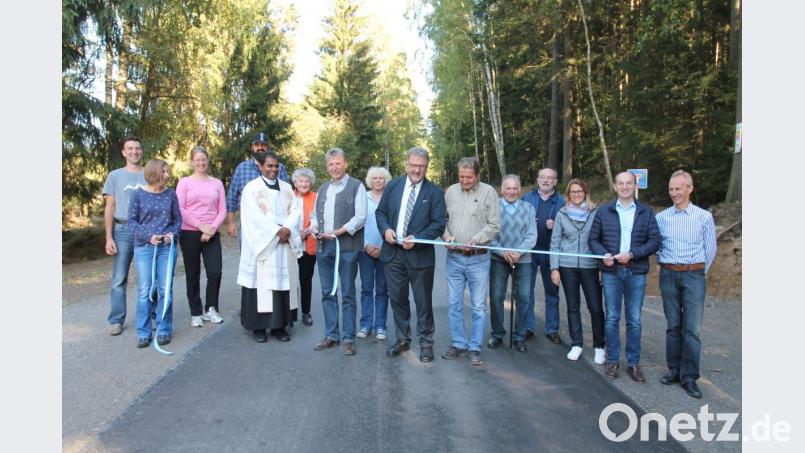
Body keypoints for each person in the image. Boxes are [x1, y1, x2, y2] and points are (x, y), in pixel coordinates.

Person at [588, 171, 661, 382]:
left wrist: (632, 254)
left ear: (635, 185)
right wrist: (603, 255)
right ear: (615, 186)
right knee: (611, 318)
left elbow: (655, 241)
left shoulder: (646, 212)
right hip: (611, 272)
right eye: (621, 183)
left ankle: (633, 363)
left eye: (629, 183)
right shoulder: (604, 211)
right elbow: (593, 239)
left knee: (634, 319)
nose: (625, 187)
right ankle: (613, 361)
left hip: (636, 271)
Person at [376, 147, 446, 362]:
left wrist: (417, 239)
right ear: (406, 164)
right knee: (398, 299)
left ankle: (426, 343)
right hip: (393, 254)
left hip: (420, 257)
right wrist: (386, 229)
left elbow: (438, 224)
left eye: (422, 166)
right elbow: (381, 213)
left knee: (423, 301)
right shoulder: (393, 186)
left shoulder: (434, 192)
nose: (417, 170)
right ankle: (402, 339)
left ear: (426, 166)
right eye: (414, 165)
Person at [656, 170, 717, 399]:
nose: (674, 193)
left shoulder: (703, 217)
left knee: (691, 329)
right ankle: (674, 370)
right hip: (668, 274)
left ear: (689, 189)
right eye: (671, 189)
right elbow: (657, 245)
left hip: (693, 275)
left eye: (678, 188)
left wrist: (699, 272)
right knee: (673, 326)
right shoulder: (661, 218)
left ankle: (689, 376)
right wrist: (663, 264)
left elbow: (710, 249)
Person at [236, 151, 302, 343]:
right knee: (261, 285)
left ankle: (279, 327)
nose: (273, 169)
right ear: (260, 166)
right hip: (264, 244)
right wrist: (276, 232)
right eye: (269, 166)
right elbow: (252, 217)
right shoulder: (252, 189)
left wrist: (287, 229)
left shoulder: (287, 188)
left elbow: (295, 210)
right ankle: (258, 327)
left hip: (283, 244)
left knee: (282, 284)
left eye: (276, 166)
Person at [441, 157, 500, 366]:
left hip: (479, 259)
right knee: (454, 304)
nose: (464, 180)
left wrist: (478, 239)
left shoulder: (488, 192)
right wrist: (446, 237)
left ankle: (475, 347)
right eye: (461, 176)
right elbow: (442, 221)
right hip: (454, 258)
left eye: (469, 177)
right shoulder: (450, 192)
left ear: (477, 175)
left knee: (478, 306)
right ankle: (458, 343)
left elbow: (494, 225)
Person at [310, 148, 367, 356]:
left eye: (338, 163)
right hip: (325, 248)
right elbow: (314, 216)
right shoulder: (323, 189)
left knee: (348, 293)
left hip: (347, 249)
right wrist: (315, 228)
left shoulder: (356, 186)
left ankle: (349, 338)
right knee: (328, 292)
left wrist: (339, 231)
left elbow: (360, 217)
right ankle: (332, 335)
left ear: (345, 164)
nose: (334, 167)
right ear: (327, 167)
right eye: (331, 164)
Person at [549, 178, 605, 364]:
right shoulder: (561, 214)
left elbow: (601, 239)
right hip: (568, 266)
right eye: (572, 192)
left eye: (579, 191)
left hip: (590, 266)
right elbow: (555, 242)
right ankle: (577, 343)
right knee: (573, 306)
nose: (576, 194)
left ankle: (599, 346)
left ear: (585, 192)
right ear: (568, 194)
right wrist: (554, 268)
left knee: (595, 307)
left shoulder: (596, 212)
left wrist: (601, 266)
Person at [128, 159, 182, 348]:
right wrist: (148, 236)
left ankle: (164, 329)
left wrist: (171, 235)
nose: (168, 175)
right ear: (154, 173)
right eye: (164, 172)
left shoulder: (171, 195)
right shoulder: (138, 195)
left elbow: (177, 221)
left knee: (165, 290)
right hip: (144, 248)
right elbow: (132, 222)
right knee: (145, 291)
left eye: (168, 172)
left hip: (167, 249)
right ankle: (143, 332)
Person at [176, 146, 226, 328]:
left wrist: (211, 228)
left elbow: (222, 210)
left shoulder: (217, 183)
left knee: (215, 271)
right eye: (197, 159)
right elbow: (180, 209)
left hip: (212, 232)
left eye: (204, 159)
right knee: (193, 272)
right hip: (190, 232)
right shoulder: (184, 183)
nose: (201, 163)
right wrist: (200, 226)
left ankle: (211, 308)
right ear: (192, 162)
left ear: (208, 161)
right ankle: (196, 312)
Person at [487, 175, 537, 353]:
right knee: (496, 297)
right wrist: (503, 252)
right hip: (498, 259)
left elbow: (532, 235)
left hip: (522, 259)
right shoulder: (493, 207)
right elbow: (489, 234)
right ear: (502, 189)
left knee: (523, 297)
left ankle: (519, 336)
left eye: (515, 188)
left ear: (520, 189)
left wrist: (518, 252)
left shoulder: (529, 208)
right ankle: (498, 334)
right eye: (508, 188)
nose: (512, 191)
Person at [103, 136, 147, 336]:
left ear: (141, 151)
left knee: (147, 277)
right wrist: (109, 237)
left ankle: (149, 315)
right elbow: (109, 207)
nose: (134, 152)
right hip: (122, 231)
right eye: (130, 148)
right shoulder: (115, 176)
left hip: (146, 231)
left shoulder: (149, 174)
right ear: (123, 152)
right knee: (119, 278)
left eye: (137, 148)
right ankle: (116, 319)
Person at [522, 168, 565, 344]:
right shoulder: (527, 198)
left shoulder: (562, 201)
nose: (546, 181)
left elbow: (568, 228)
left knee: (552, 292)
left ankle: (552, 329)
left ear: (555, 181)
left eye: (550, 178)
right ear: (538, 179)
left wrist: (556, 225)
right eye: (543, 177)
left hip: (551, 253)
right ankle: (527, 327)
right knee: (526, 291)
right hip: (529, 252)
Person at [225, 132, 288, 238]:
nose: (260, 148)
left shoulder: (279, 168)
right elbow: (232, 198)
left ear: (268, 147)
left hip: (275, 225)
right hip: (248, 224)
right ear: (252, 147)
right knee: (249, 254)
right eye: (257, 145)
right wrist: (231, 223)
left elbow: (287, 197)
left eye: (263, 145)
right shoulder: (242, 168)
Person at [357, 166, 392, 340]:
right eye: (375, 178)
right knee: (366, 288)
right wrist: (366, 245)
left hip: (386, 251)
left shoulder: (391, 198)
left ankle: (380, 326)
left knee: (382, 289)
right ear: (370, 180)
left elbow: (394, 226)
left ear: (386, 180)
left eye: (381, 178)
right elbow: (357, 223)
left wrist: (384, 248)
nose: (378, 181)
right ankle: (365, 324)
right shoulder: (362, 197)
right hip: (365, 250)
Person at [292, 168, 318, 327]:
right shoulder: (288, 196)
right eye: (300, 181)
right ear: (294, 182)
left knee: (305, 280)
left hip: (308, 244)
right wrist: (295, 235)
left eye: (306, 181)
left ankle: (305, 312)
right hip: (289, 244)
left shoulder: (315, 197)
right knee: (289, 280)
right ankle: (289, 313)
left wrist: (306, 231)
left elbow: (317, 218)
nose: (303, 184)